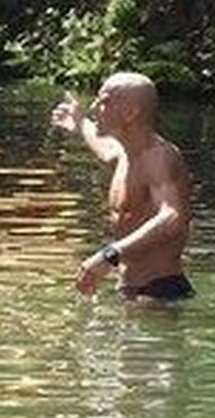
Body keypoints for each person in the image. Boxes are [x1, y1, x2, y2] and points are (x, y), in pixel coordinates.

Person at [50, 72, 195, 301]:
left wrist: (109, 255)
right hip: (132, 291)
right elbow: (105, 149)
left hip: (158, 292)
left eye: (104, 101)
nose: (95, 107)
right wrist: (80, 123)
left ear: (130, 112)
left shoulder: (158, 157)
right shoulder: (125, 153)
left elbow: (173, 217)